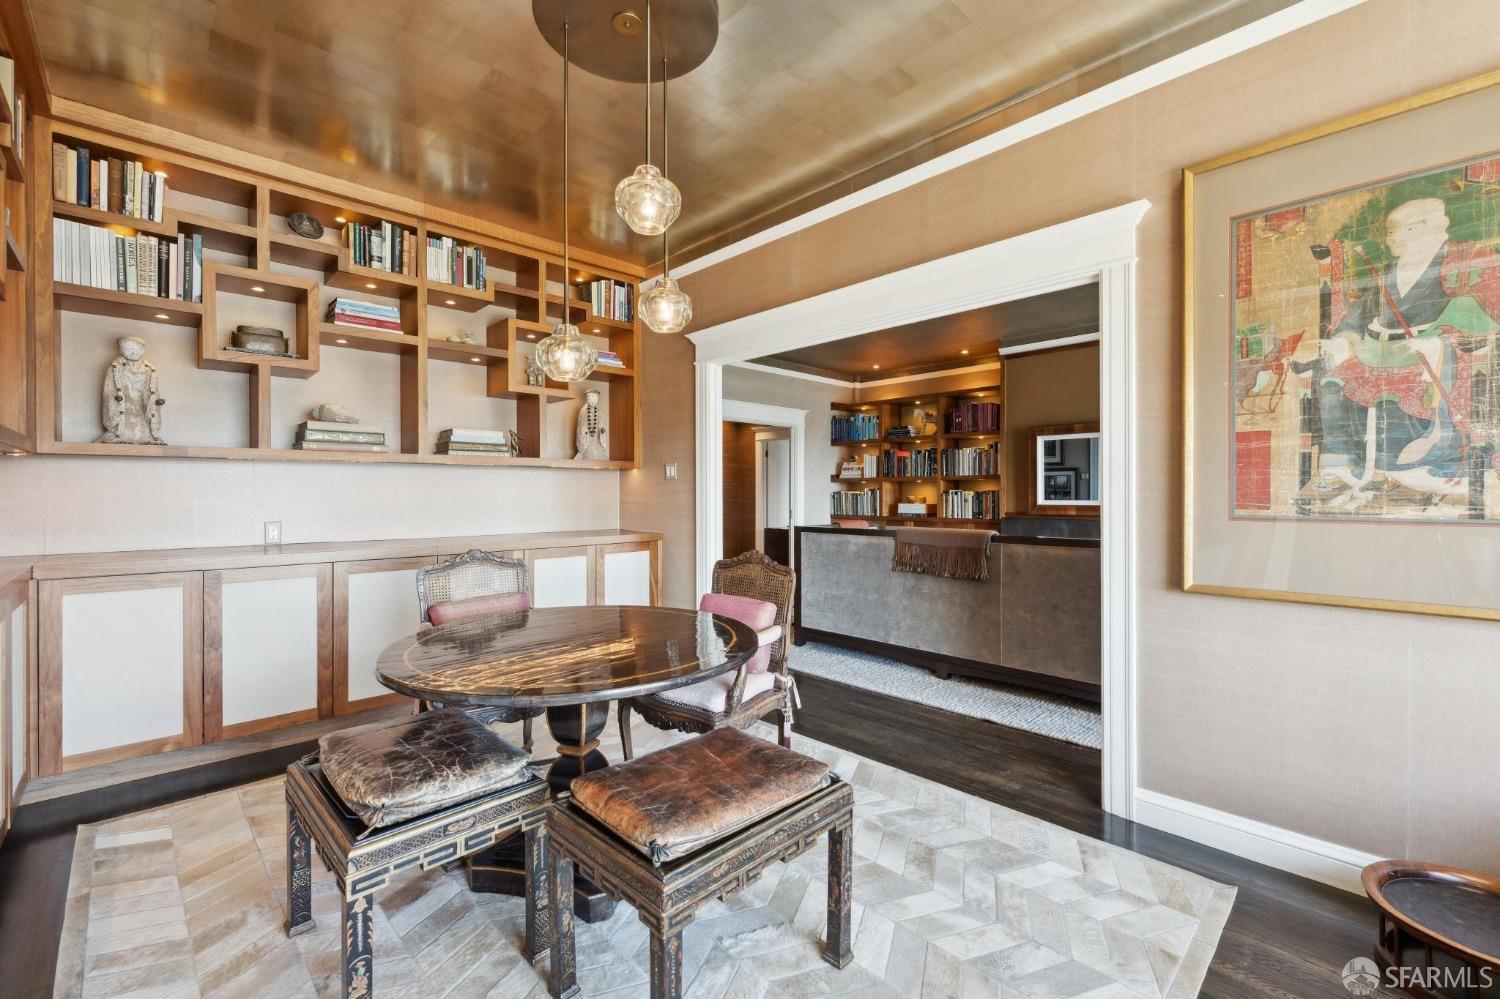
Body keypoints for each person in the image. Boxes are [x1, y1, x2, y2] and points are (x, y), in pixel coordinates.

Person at [1311, 197, 1496, 508]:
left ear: (1432, 229)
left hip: (1432, 348)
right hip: (1379, 349)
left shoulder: (1459, 262)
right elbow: (1358, 314)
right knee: (1333, 381)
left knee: (1403, 395)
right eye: (1390, 232)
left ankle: (1408, 468)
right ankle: (1340, 464)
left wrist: (1442, 336)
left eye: (1406, 229)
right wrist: (1346, 336)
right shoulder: (1387, 271)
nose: (1395, 238)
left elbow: (1482, 302)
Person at [98, 335, 166, 445]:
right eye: (127, 349)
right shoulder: (116, 366)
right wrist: (114, 398)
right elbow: (109, 388)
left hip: (141, 401)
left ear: (142, 350)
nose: (132, 353)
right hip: (124, 399)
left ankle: (146, 435)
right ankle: (119, 433)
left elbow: (153, 388)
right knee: (124, 417)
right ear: (121, 350)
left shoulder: (148, 368)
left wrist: (153, 399)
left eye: (135, 350)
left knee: (142, 418)